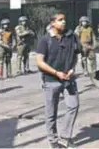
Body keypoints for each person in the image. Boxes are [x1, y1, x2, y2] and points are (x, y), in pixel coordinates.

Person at [36, 10, 80, 148]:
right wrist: (56, 73)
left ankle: (65, 137)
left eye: (64, 19)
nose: (64, 22)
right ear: (53, 23)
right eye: (60, 20)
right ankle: (53, 141)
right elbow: (40, 61)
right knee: (51, 113)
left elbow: (75, 55)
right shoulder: (45, 40)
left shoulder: (71, 36)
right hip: (51, 81)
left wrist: (73, 68)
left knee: (74, 105)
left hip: (68, 80)